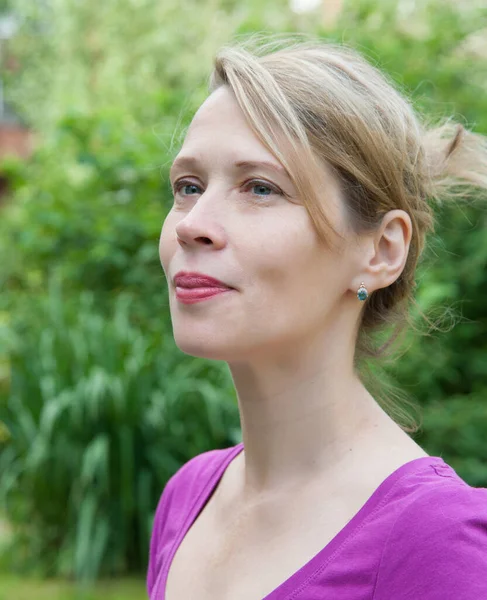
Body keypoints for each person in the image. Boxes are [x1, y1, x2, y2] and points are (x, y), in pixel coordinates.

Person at [147, 36, 487, 599]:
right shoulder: (188, 497)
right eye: (188, 186)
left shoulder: (437, 543)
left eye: (260, 188)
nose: (191, 224)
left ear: (380, 251)